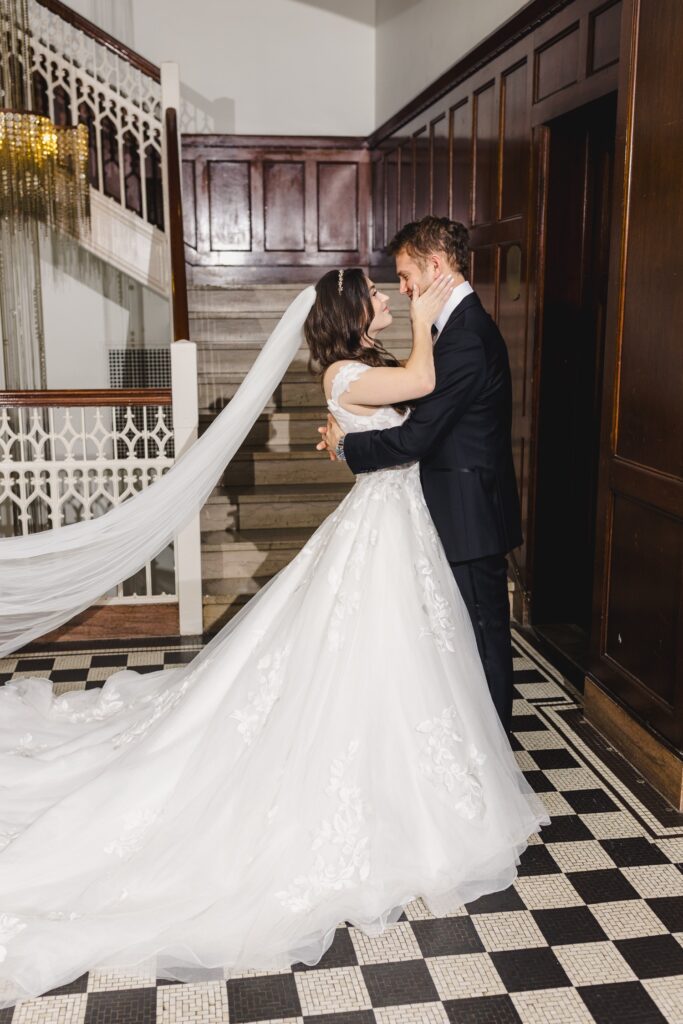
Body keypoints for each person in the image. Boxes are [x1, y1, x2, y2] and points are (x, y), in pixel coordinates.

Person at [0, 268, 547, 1007]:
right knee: (370, 651)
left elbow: (406, 418)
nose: (388, 297)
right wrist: (426, 313)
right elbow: (423, 380)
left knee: (400, 655)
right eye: (378, 294)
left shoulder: (357, 371)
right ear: (352, 312)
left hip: (395, 525)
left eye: (395, 291)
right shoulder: (350, 370)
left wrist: (348, 432)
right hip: (382, 531)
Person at [318, 217, 522, 737]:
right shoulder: (447, 332)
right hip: (442, 507)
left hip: (468, 511)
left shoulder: (465, 338)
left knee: (482, 635)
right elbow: (413, 401)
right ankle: (467, 742)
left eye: (406, 275)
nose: (402, 289)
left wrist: (348, 444)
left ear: (435, 265)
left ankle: (493, 749)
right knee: (453, 638)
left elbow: (415, 438)